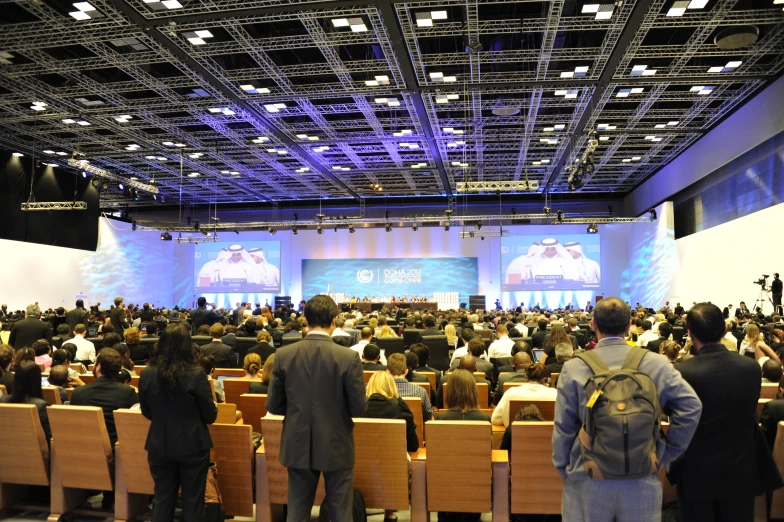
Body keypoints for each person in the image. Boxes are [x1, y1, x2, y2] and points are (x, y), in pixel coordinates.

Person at [553, 297, 702, 522]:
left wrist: (566, 468)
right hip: (642, 475)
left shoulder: (573, 367)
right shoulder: (658, 363)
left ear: (593, 325)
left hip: (587, 474)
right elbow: (692, 407)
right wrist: (665, 454)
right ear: (629, 325)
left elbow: (563, 428)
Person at [673, 303, 782, 522]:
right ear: (724, 330)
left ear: (690, 333)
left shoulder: (681, 372)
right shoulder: (750, 368)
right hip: (740, 470)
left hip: (696, 472)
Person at [266, 295, 367, 521]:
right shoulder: (348, 357)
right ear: (334, 320)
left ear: (305, 318)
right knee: (341, 513)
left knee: (297, 513)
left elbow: (273, 405)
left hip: (297, 442)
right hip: (337, 443)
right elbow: (359, 408)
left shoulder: (283, 355)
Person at [140, 323, 218, 522]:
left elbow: (147, 411)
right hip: (193, 445)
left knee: (162, 498)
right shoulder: (196, 374)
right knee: (193, 500)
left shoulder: (148, 373)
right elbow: (210, 416)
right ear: (187, 345)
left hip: (159, 443)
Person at [492, 363, 556, 427]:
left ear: (526, 377)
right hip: (548, 436)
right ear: (545, 379)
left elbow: (495, 419)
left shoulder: (511, 392)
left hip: (515, 435)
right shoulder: (555, 394)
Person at [0, 361, 51, 442]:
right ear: (37, 380)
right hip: (36, 452)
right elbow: (48, 437)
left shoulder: (2, 400)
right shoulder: (41, 405)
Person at [387, 352, 433, 422]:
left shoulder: (381, 392)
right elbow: (429, 417)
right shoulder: (420, 391)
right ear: (406, 371)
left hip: (389, 431)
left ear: (387, 372)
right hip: (415, 431)